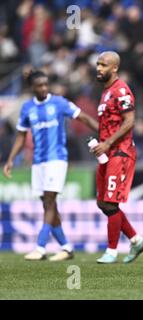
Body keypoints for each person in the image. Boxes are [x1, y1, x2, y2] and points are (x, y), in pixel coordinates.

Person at [2, 70, 98, 261]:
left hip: (57, 159)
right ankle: (66, 247)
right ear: (32, 87)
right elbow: (21, 136)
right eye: (40, 85)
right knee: (49, 204)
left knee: (49, 200)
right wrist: (11, 160)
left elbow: (84, 118)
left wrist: (107, 136)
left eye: (46, 84)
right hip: (38, 162)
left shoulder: (59, 103)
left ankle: (40, 246)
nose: (44, 88)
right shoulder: (27, 108)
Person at [92, 51, 143, 264]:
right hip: (107, 153)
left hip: (120, 152)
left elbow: (129, 121)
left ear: (114, 68)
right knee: (103, 202)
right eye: (98, 64)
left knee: (110, 202)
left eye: (103, 64)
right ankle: (136, 240)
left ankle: (111, 251)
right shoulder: (106, 91)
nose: (99, 68)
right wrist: (101, 143)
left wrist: (107, 143)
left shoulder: (121, 90)